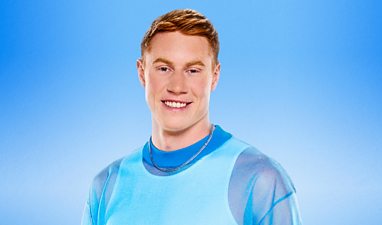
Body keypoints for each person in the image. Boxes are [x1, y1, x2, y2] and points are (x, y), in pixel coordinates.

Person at [81, 9, 302, 225]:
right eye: (164, 68)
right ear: (142, 72)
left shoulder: (259, 181)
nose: (177, 87)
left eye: (193, 70)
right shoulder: (107, 186)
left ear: (214, 77)